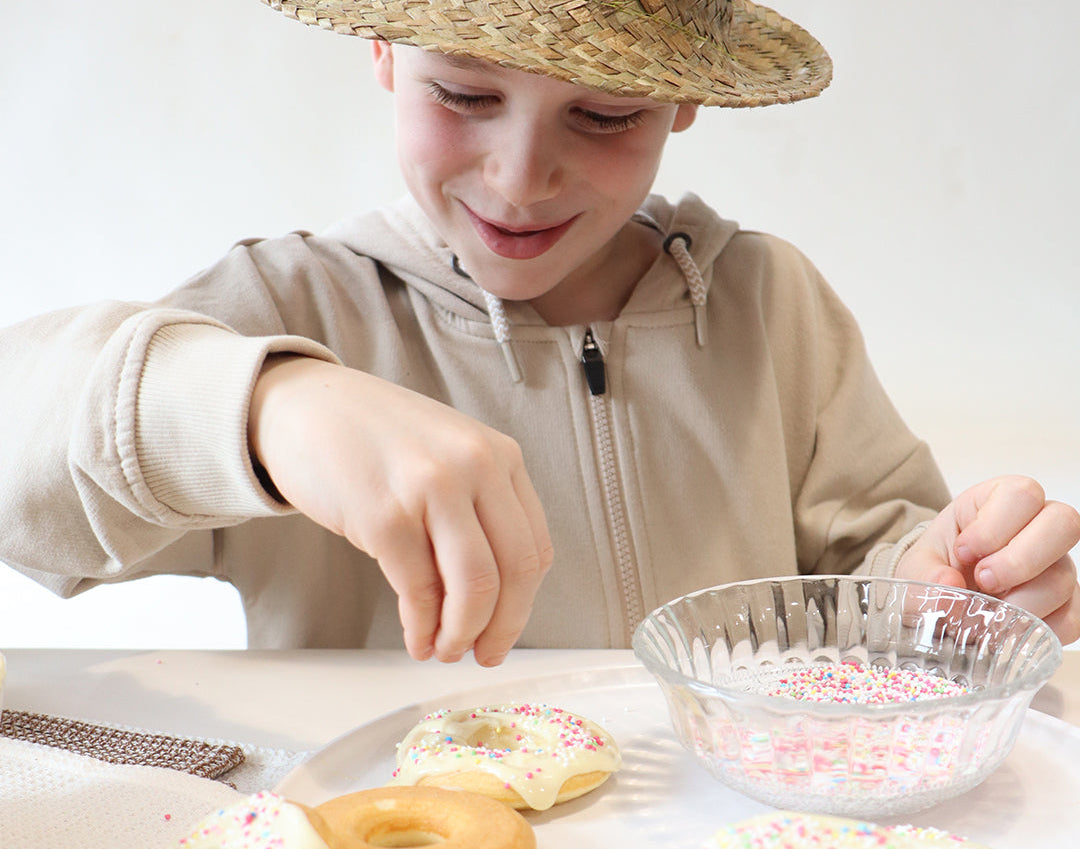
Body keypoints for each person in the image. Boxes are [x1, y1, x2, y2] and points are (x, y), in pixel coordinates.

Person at [0, 0, 1077, 667]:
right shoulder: (292, 310)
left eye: (605, 116)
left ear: (682, 100)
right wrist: (260, 407)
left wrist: (936, 589)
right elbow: (26, 469)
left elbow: (870, 568)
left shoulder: (767, 304)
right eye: (464, 95)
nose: (520, 178)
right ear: (381, 53)